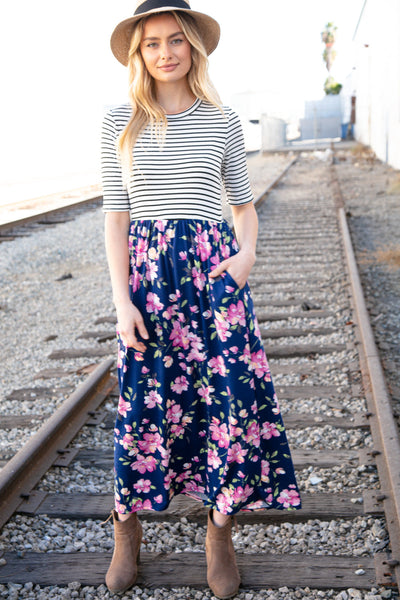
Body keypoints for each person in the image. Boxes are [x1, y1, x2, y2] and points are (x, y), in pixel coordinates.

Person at [101, 1, 301, 597]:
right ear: (140, 54)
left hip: (214, 282)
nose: (165, 53)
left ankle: (219, 529)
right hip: (148, 283)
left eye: (175, 41)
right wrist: (122, 302)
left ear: (193, 47)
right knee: (141, 407)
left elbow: (243, 207)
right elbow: (115, 218)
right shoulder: (120, 121)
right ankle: (126, 527)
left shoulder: (222, 120)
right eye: (152, 44)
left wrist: (246, 257)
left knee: (229, 402)